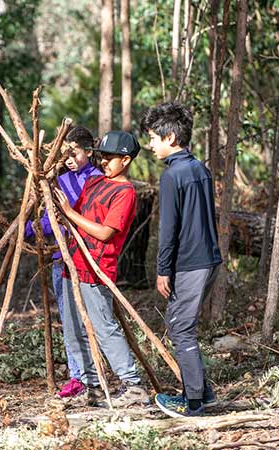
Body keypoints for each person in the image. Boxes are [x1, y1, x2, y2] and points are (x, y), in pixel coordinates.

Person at [54, 130, 149, 408]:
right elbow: (76, 216)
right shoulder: (95, 184)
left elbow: (106, 232)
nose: (104, 162)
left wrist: (70, 214)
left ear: (126, 160)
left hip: (96, 267)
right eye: (102, 157)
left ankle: (132, 385)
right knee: (73, 328)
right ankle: (91, 385)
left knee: (104, 327)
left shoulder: (125, 192)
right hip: (72, 264)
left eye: (111, 158)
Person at [141, 102, 222, 418]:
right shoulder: (200, 168)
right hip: (209, 260)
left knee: (180, 328)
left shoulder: (173, 175)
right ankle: (204, 392)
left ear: (171, 137)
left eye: (153, 138)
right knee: (181, 324)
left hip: (190, 264)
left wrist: (163, 270)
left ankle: (193, 403)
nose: (150, 144)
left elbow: (169, 228)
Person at [24, 125, 103, 399]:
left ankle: (96, 376)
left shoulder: (98, 180)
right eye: (64, 153)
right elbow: (50, 220)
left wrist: (71, 223)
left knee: (92, 319)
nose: (68, 159)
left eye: (73, 152)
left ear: (89, 151)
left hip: (88, 258)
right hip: (62, 257)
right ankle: (77, 376)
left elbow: (97, 221)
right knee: (69, 319)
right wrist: (31, 228)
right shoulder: (61, 181)